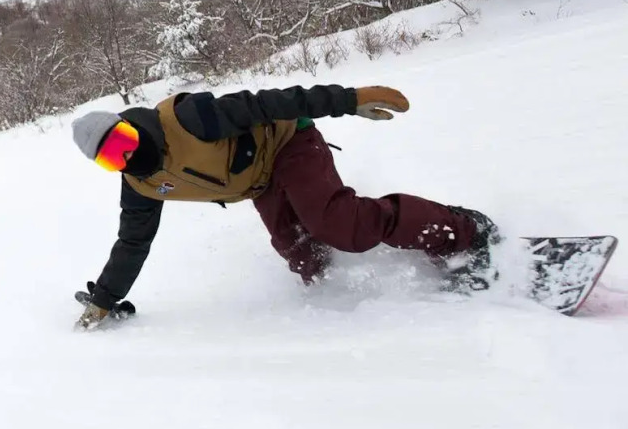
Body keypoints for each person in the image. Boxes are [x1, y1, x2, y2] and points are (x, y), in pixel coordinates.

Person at [71, 84, 499, 329]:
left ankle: (465, 231)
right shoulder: (142, 184)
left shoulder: (190, 120)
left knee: (336, 223)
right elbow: (132, 242)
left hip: (288, 142)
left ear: (130, 126)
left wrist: (349, 100)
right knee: (303, 259)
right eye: (111, 158)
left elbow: (270, 104)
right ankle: (351, 303)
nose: (125, 157)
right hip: (261, 183)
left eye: (123, 142)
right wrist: (105, 300)